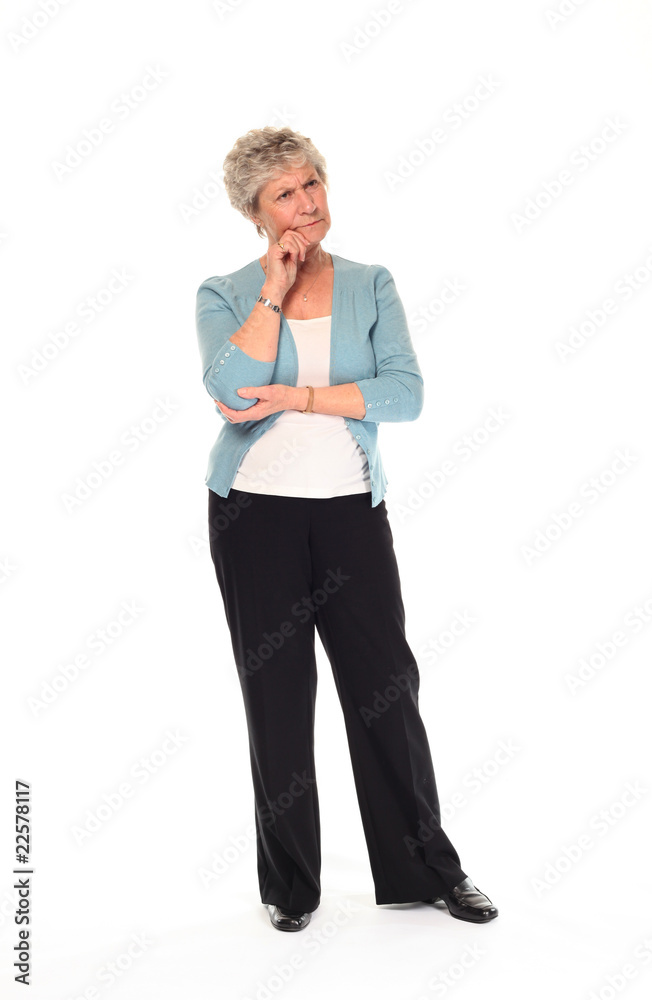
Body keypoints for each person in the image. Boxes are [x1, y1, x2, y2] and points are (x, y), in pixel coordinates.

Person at [195, 126, 498, 932]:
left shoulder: (371, 283)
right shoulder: (224, 293)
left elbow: (405, 393)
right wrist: (273, 289)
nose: (306, 203)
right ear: (256, 214)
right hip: (253, 515)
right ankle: (290, 888)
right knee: (278, 699)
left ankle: (427, 870)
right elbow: (233, 393)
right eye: (284, 194)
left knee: (386, 691)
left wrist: (298, 397)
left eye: (312, 183)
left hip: (350, 513)